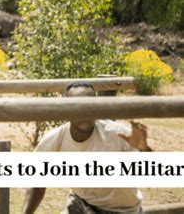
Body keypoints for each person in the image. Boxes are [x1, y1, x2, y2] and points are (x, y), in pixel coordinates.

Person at [22, 82, 152, 214]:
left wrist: (143, 149)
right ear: (65, 111)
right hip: (81, 204)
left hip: (121, 211)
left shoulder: (118, 135)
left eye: (90, 106)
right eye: (78, 107)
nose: (85, 112)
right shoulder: (54, 139)